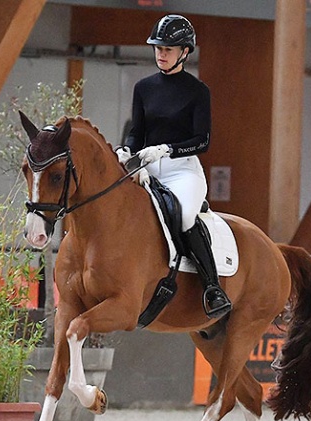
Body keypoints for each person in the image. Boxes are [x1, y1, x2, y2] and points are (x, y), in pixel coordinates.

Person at [116, 14, 231, 319]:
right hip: (147, 167)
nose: (161, 54)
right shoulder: (143, 88)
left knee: (183, 217)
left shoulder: (198, 91)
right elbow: (136, 131)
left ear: (185, 51)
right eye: (158, 48)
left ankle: (212, 287)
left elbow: (202, 141)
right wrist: (127, 147)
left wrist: (168, 148)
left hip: (182, 170)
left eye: (168, 48)